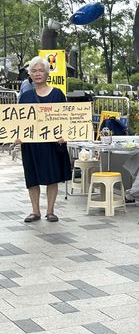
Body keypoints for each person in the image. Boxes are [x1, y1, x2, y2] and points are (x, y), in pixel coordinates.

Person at [17, 56, 72, 223]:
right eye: (34, 71)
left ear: (47, 73)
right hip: (31, 144)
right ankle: (35, 211)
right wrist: (17, 135)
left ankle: (50, 211)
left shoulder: (57, 94)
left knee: (52, 175)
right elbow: (18, 120)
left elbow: (66, 119)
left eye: (41, 70)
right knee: (31, 176)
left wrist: (65, 135)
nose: (37, 73)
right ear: (30, 74)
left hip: (52, 143)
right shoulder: (25, 96)